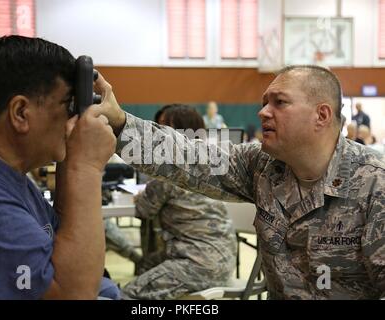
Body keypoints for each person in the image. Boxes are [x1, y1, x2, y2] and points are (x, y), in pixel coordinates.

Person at [98, 65, 385, 300]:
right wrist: (121, 123)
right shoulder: (261, 165)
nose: (263, 112)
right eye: (264, 103)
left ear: (321, 115)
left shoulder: (374, 184)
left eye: (279, 102)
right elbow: (187, 156)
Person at [0, 36, 119, 299]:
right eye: (67, 105)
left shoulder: (3, 175)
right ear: (21, 113)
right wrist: (87, 168)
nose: (74, 118)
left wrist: (72, 161)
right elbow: (72, 294)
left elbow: (66, 248)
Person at [121, 104, 236, 300]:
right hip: (222, 259)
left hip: (195, 263)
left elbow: (144, 209)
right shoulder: (208, 162)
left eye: (163, 127)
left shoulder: (170, 171)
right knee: (146, 265)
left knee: (125, 295)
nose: (156, 133)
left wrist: (141, 197)